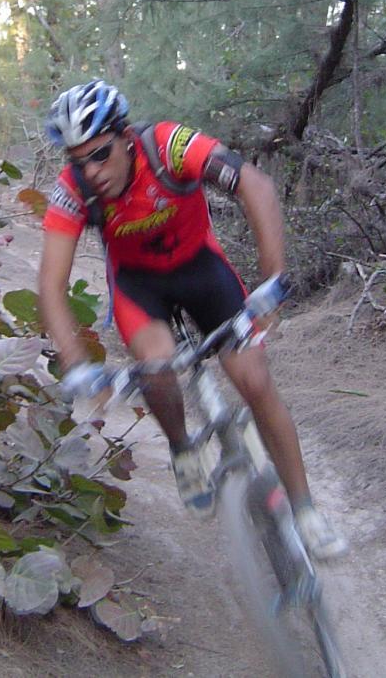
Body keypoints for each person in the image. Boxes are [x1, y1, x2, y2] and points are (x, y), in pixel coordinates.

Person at [37, 79, 347, 560]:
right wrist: (75, 362)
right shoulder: (72, 191)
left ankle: (305, 508)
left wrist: (272, 281)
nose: (91, 172)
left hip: (202, 272)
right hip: (140, 288)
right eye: (79, 162)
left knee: (254, 379)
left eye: (100, 154)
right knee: (157, 366)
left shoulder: (166, 146)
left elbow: (255, 185)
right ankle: (183, 448)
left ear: (123, 136)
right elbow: (51, 286)